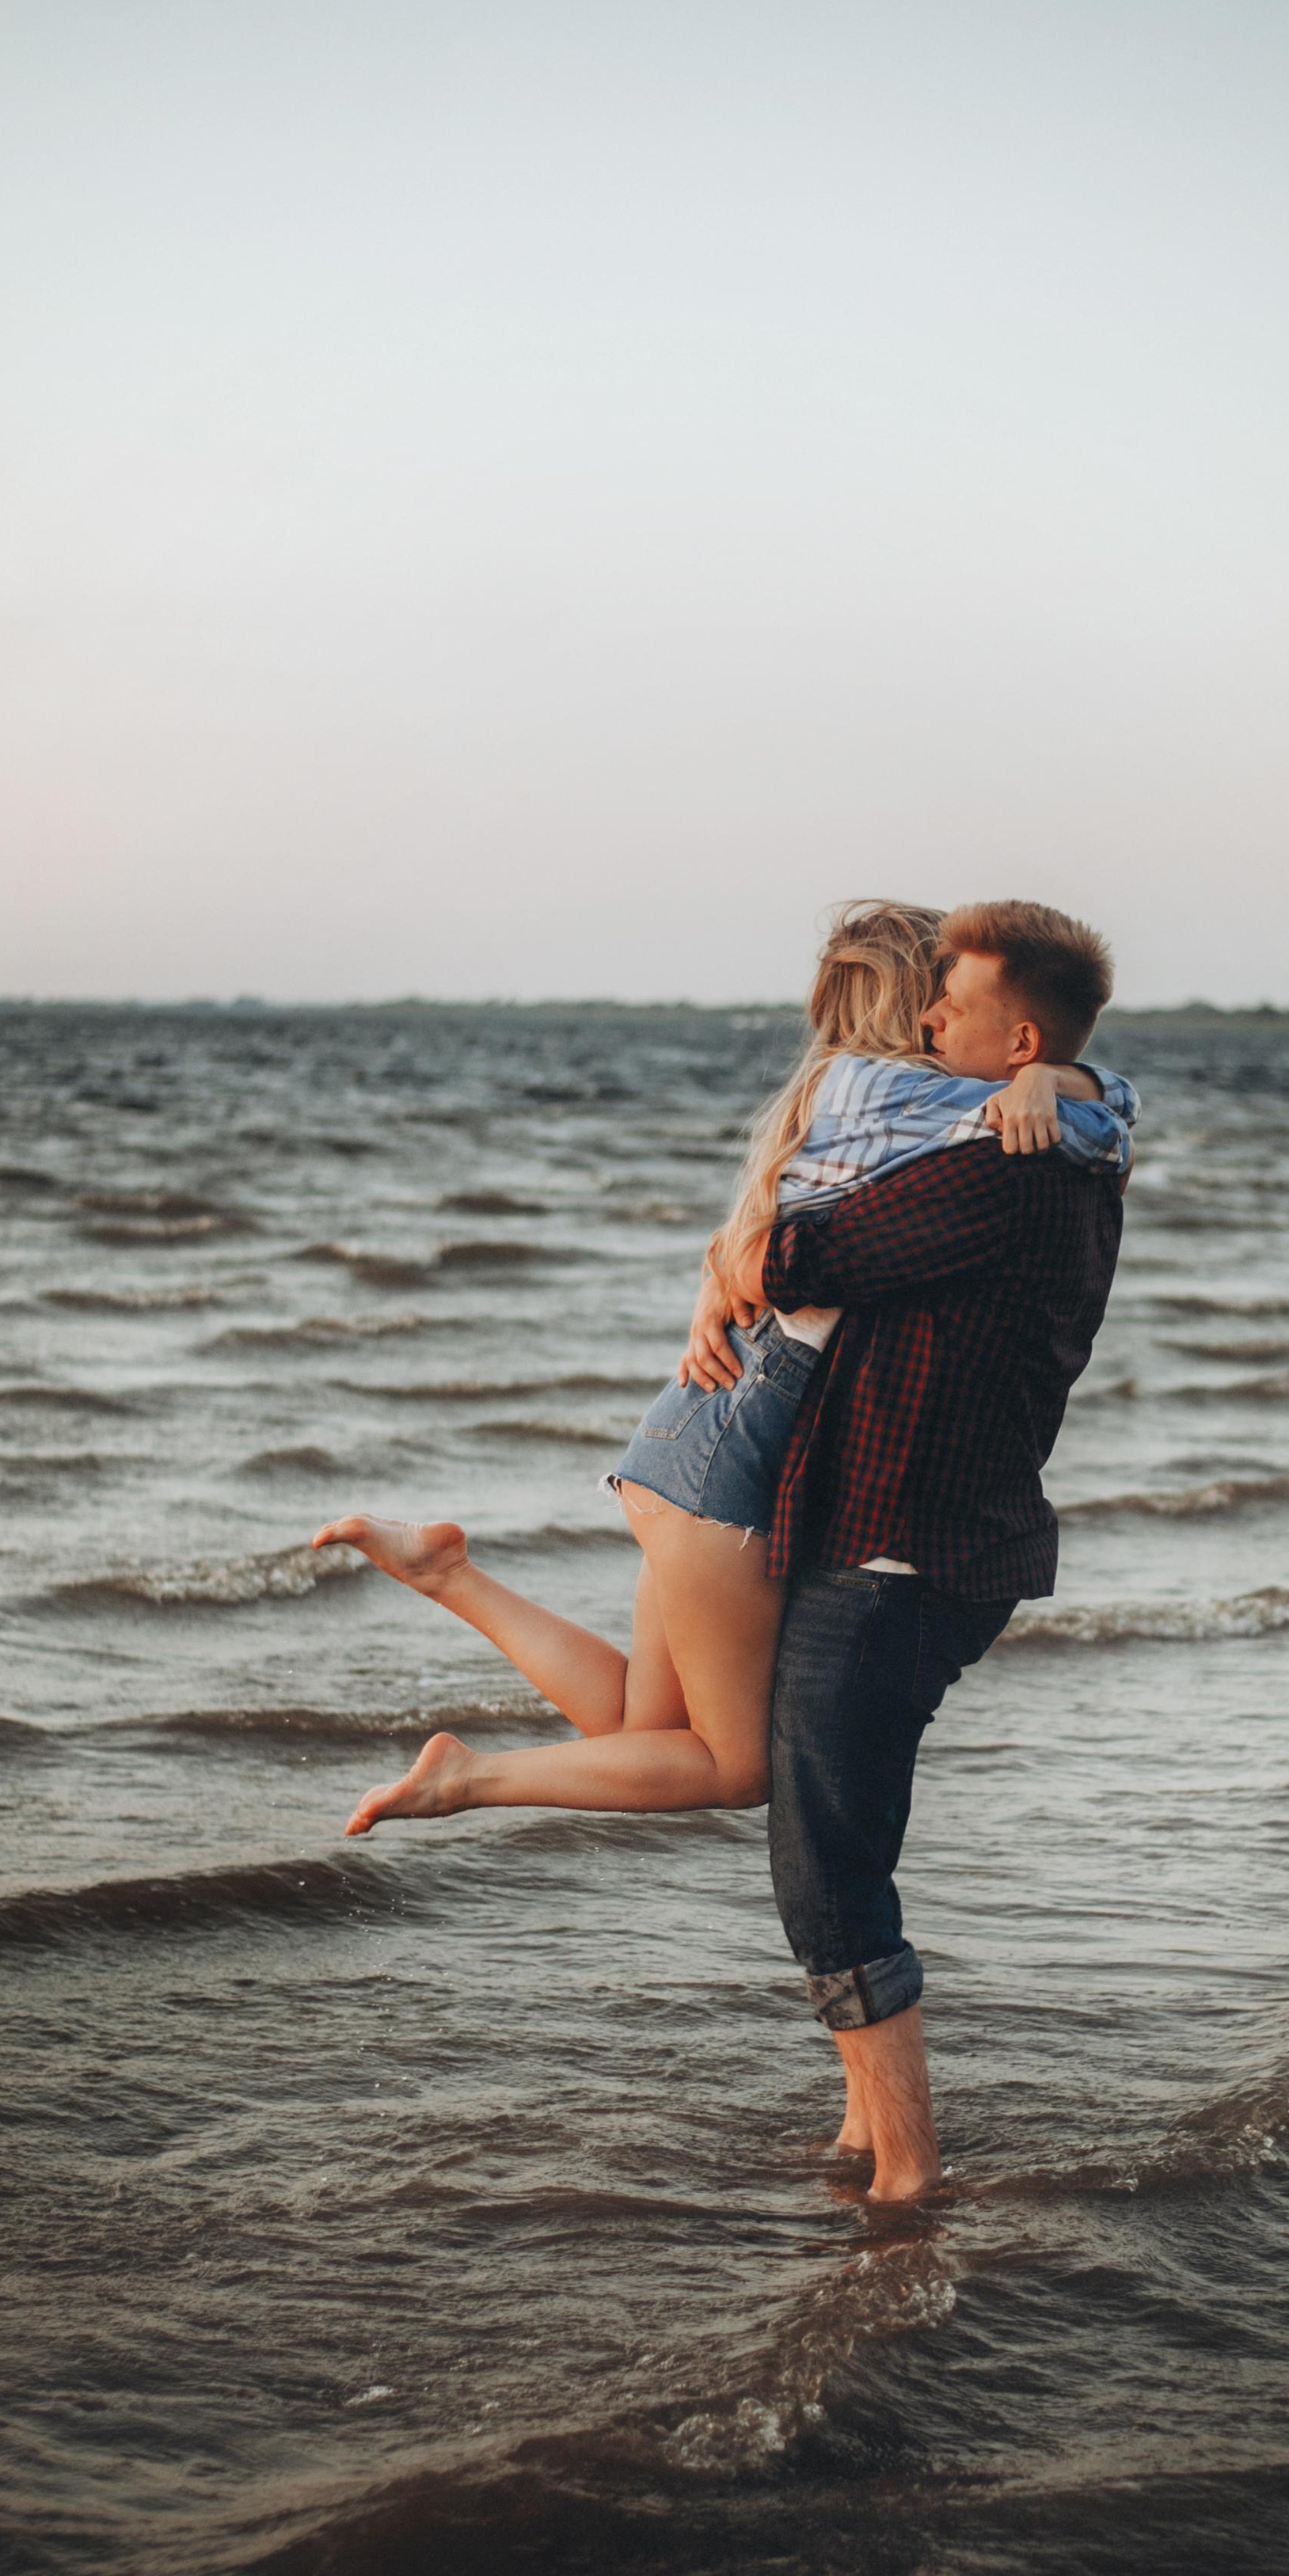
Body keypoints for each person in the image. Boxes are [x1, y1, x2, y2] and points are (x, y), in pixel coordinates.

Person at [317, 899, 1127, 2196]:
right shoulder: (920, 1117)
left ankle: (453, 1594)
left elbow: (810, 1237)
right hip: (730, 1473)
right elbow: (822, 1241)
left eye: (955, 1007)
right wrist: (1064, 1080)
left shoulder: (906, 1124)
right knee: (744, 1775)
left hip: (712, 1462)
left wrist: (1056, 1073)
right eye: (931, 1000)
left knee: (677, 1742)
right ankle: (468, 1768)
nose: (935, 1021)